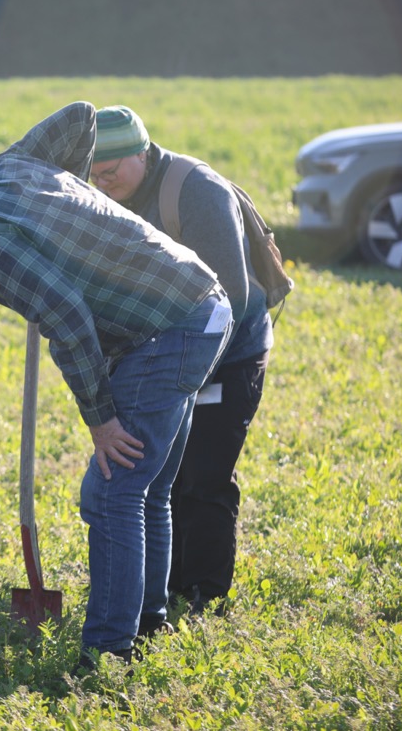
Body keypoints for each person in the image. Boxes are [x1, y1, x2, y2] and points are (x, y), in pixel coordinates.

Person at [0, 101, 233, 673]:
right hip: (198, 301)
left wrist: (100, 418)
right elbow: (80, 118)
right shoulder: (5, 167)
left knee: (113, 492)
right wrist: (72, 217)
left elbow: (65, 314)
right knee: (147, 487)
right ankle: (149, 623)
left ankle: (108, 655)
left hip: (171, 327)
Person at [89, 105, 272, 615]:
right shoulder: (106, 197)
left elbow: (229, 299)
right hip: (161, 352)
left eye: (112, 171)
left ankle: (204, 594)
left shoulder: (197, 192)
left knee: (204, 473)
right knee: (159, 478)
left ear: (143, 154)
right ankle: (157, 590)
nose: (102, 182)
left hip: (229, 351)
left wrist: (182, 379)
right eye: (93, 173)